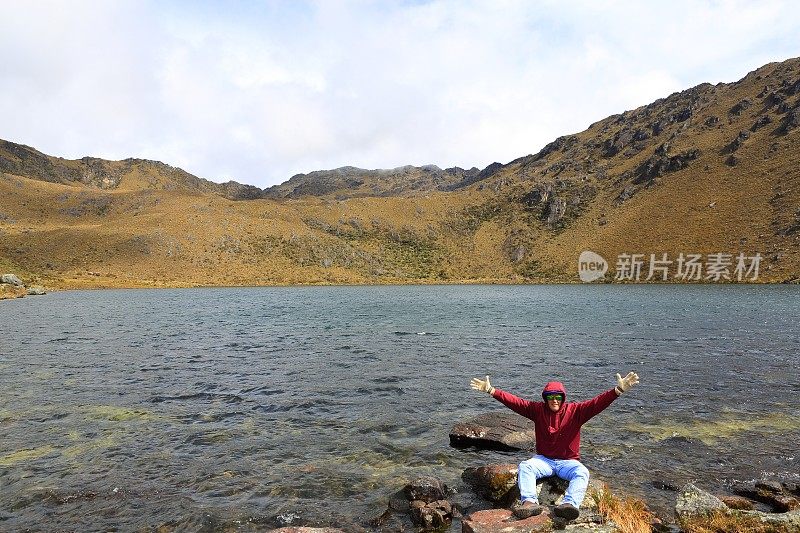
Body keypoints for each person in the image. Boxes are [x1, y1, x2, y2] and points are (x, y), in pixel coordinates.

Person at [469, 372, 640, 521]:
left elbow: (597, 403)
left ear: (563, 398)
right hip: (544, 460)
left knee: (582, 472)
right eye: (550, 397)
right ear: (546, 398)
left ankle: (569, 505)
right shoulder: (537, 410)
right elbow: (515, 402)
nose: (554, 400)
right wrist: (491, 390)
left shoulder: (576, 411)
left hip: (568, 462)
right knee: (526, 466)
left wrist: (618, 390)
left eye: (558, 397)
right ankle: (529, 503)